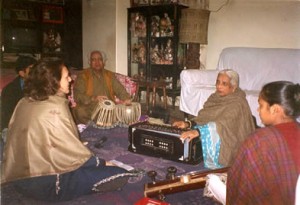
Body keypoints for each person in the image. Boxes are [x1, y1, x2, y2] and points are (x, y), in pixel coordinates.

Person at [0, 58, 132, 202]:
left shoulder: (24, 101)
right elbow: (71, 153)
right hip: (46, 183)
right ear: (53, 81)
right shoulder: (55, 107)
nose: (70, 79)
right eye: (66, 77)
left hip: (18, 178)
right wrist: (101, 163)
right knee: (119, 174)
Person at [226, 81, 300, 204]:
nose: (258, 110)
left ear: (275, 109)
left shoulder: (260, 140)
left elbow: (240, 185)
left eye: (260, 105)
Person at [173, 69, 255, 168]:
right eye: (218, 82)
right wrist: (188, 124)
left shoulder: (238, 102)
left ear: (233, 87)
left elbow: (223, 124)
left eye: (224, 83)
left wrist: (199, 132)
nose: (219, 86)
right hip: (214, 133)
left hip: (233, 141)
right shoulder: (214, 97)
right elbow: (204, 117)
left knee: (209, 131)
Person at [72, 50, 132, 124]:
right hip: (90, 107)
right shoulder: (83, 76)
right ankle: (93, 127)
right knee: (79, 111)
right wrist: (93, 98)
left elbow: (119, 89)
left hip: (108, 108)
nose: (97, 62)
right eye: (93, 60)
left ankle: (102, 125)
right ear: (89, 62)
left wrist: (126, 99)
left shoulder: (109, 75)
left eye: (99, 59)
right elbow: (77, 95)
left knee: (124, 111)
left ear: (104, 62)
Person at [1, 55, 37, 131]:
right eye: (31, 69)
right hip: (13, 128)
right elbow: (6, 116)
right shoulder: (9, 90)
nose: (35, 72)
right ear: (22, 73)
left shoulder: (40, 86)